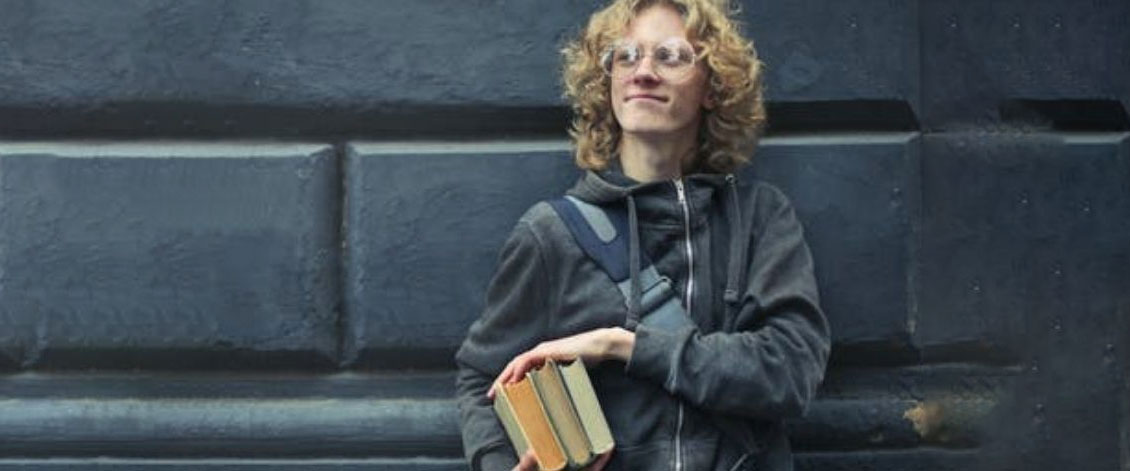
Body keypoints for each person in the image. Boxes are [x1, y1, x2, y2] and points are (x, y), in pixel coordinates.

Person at [455, 0, 830, 469]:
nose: (643, 72)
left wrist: (621, 345)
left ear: (713, 86)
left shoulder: (759, 218)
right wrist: (498, 463)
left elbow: (790, 374)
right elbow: (482, 378)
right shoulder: (551, 234)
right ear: (607, 81)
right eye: (625, 56)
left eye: (670, 56)